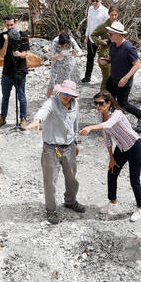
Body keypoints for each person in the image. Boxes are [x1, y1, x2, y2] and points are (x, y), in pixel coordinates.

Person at [25, 81, 85, 225]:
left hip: (69, 146)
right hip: (51, 148)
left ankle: (70, 201)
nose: (66, 96)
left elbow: (75, 125)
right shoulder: (51, 102)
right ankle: (51, 210)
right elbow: (43, 111)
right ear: (60, 92)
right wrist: (37, 120)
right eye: (64, 93)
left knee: (72, 178)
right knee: (50, 182)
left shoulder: (75, 105)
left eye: (69, 94)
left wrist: (76, 142)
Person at [79, 91, 141, 222]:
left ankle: (140, 207)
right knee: (112, 173)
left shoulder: (117, 114)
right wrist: (111, 158)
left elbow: (108, 125)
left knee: (134, 179)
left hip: (135, 147)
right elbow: (107, 136)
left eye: (101, 103)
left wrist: (91, 127)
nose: (98, 106)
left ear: (109, 103)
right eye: (96, 103)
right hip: (120, 148)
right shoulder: (100, 115)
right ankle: (113, 201)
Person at [102, 21, 141, 132]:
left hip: (124, 81)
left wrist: (126, 78)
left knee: (123, 104)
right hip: (113, 78)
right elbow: (113, 58)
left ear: (119, 34)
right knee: (108, 99)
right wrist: (105, 60)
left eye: (111, 34)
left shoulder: (128, 48)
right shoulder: (113, 44)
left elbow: (137, 64)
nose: (109, 36)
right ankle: (112, 121)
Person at [0, 16, 29, 129]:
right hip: (7, 72)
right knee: (5, 96)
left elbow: (25, 54)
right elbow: (1, 55)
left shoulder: (23, 35)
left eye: (12, 25)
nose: (10, 27)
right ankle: (3, 118)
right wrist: (6, 41)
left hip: (20, 71)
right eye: (8, 25)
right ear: (5, 24)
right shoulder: (2, 36)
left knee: (21, 96)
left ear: (15, 23)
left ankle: (23, 118)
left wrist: (19, 54)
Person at [81, 0, 110, 84]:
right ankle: (87, 77)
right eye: (92, 1)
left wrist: (102, 41)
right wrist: (86, 36)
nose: (94, 3)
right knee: (90, 58)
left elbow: (108, 27)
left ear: (100, 0)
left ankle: (107, 78)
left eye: (96, 1)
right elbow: (89, 24)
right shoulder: (90, 9)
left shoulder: (105, 11)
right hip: (91, 37)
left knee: (103, 59)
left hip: (101, 39)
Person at [90, 6, 120, 90]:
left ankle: (111, 96)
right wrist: (100, 41)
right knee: (107, 77)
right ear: (109, 14)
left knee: (115, 77)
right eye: (112, 15)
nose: (114, 17)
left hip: (116, 53)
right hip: (105, 54)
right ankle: (102, 97)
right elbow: (93, 35)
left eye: (115, 15)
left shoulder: (119, 25)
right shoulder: (104, 26)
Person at [47, 32, 83, 98]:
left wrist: (76, 54)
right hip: (57, 63)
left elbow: (80, 52)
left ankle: (66, 99)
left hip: (69, 63)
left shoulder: (71, 40)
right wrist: (59, 55)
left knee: (67, 82)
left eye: (66, 45)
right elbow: (51, 57)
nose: (64, 47)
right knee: (52, 81)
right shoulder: (55, 41)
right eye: (62, 45)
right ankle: (48, 100)